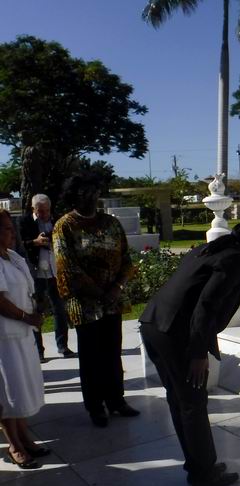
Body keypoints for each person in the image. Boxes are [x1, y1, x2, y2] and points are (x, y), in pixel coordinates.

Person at [139, 222, 240, 486]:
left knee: (180, 398)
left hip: (154, 325)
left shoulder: (210, 250)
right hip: (175, 334)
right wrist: (198, 353)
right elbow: (206, 307)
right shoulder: (234, 261)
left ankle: (197, 464)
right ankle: (203, 473)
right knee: (193, 402)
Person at [53, 173, 140, 427]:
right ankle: (95, 406)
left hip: (112, 300)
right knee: (91, 357)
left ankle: (116, 400)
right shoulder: (65, 225)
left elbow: (126, 259)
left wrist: (116, 288)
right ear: (74, 195)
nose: (91, 197)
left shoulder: (110, 223)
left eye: (94, 191)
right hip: (85, 303)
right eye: (85, 192)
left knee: (112, 352)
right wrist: (99, 293)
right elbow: (67, 267)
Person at [0, 209, 48, 469]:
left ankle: (25, 437)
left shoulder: (14, 257)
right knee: (7, 392)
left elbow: (28, 288)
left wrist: (37, 308)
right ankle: (14, 444)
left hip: (22, 334)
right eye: (6, 229)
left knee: (22, 388)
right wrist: (25, 317)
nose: (11, 233)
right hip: (4, 338)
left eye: (11, 228)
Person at [20, 193, 75, 361]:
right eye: (41, 211)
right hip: (36, 272)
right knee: (37, 310)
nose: (45, 214)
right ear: (33, 209)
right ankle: (39, 351)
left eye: (47, 211)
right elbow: (19, 245)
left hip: (54, 271)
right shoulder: (25, 221)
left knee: (59, 309)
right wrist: (35, 242)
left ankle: (63, 346)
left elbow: (68, 240)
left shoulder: (57, 220)